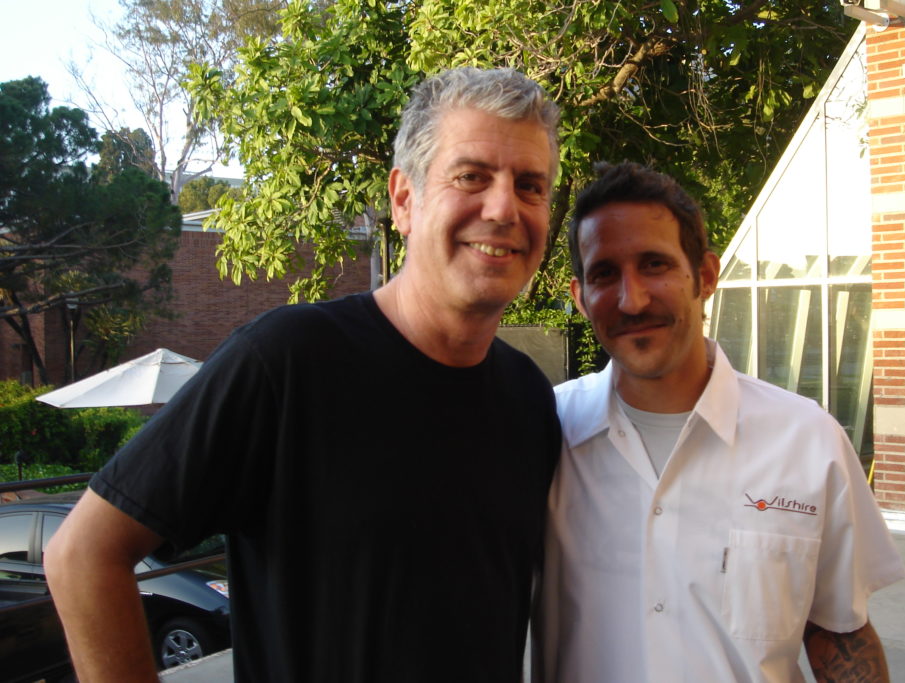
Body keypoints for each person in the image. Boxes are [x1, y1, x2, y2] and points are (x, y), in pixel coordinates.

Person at [44, 67, 563, 683]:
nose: (504, 208)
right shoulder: (286, 362)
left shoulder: (529, 398)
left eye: (530, 186)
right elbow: (82, 555)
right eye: (472, 176)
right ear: (404, 200)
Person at [535, 162, 905, 682]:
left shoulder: (807, 441)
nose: (632, 299)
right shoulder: (544, 434)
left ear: (705, 276)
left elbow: (841, 631)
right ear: (579, 297)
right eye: (604, 274)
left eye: (655, 265)